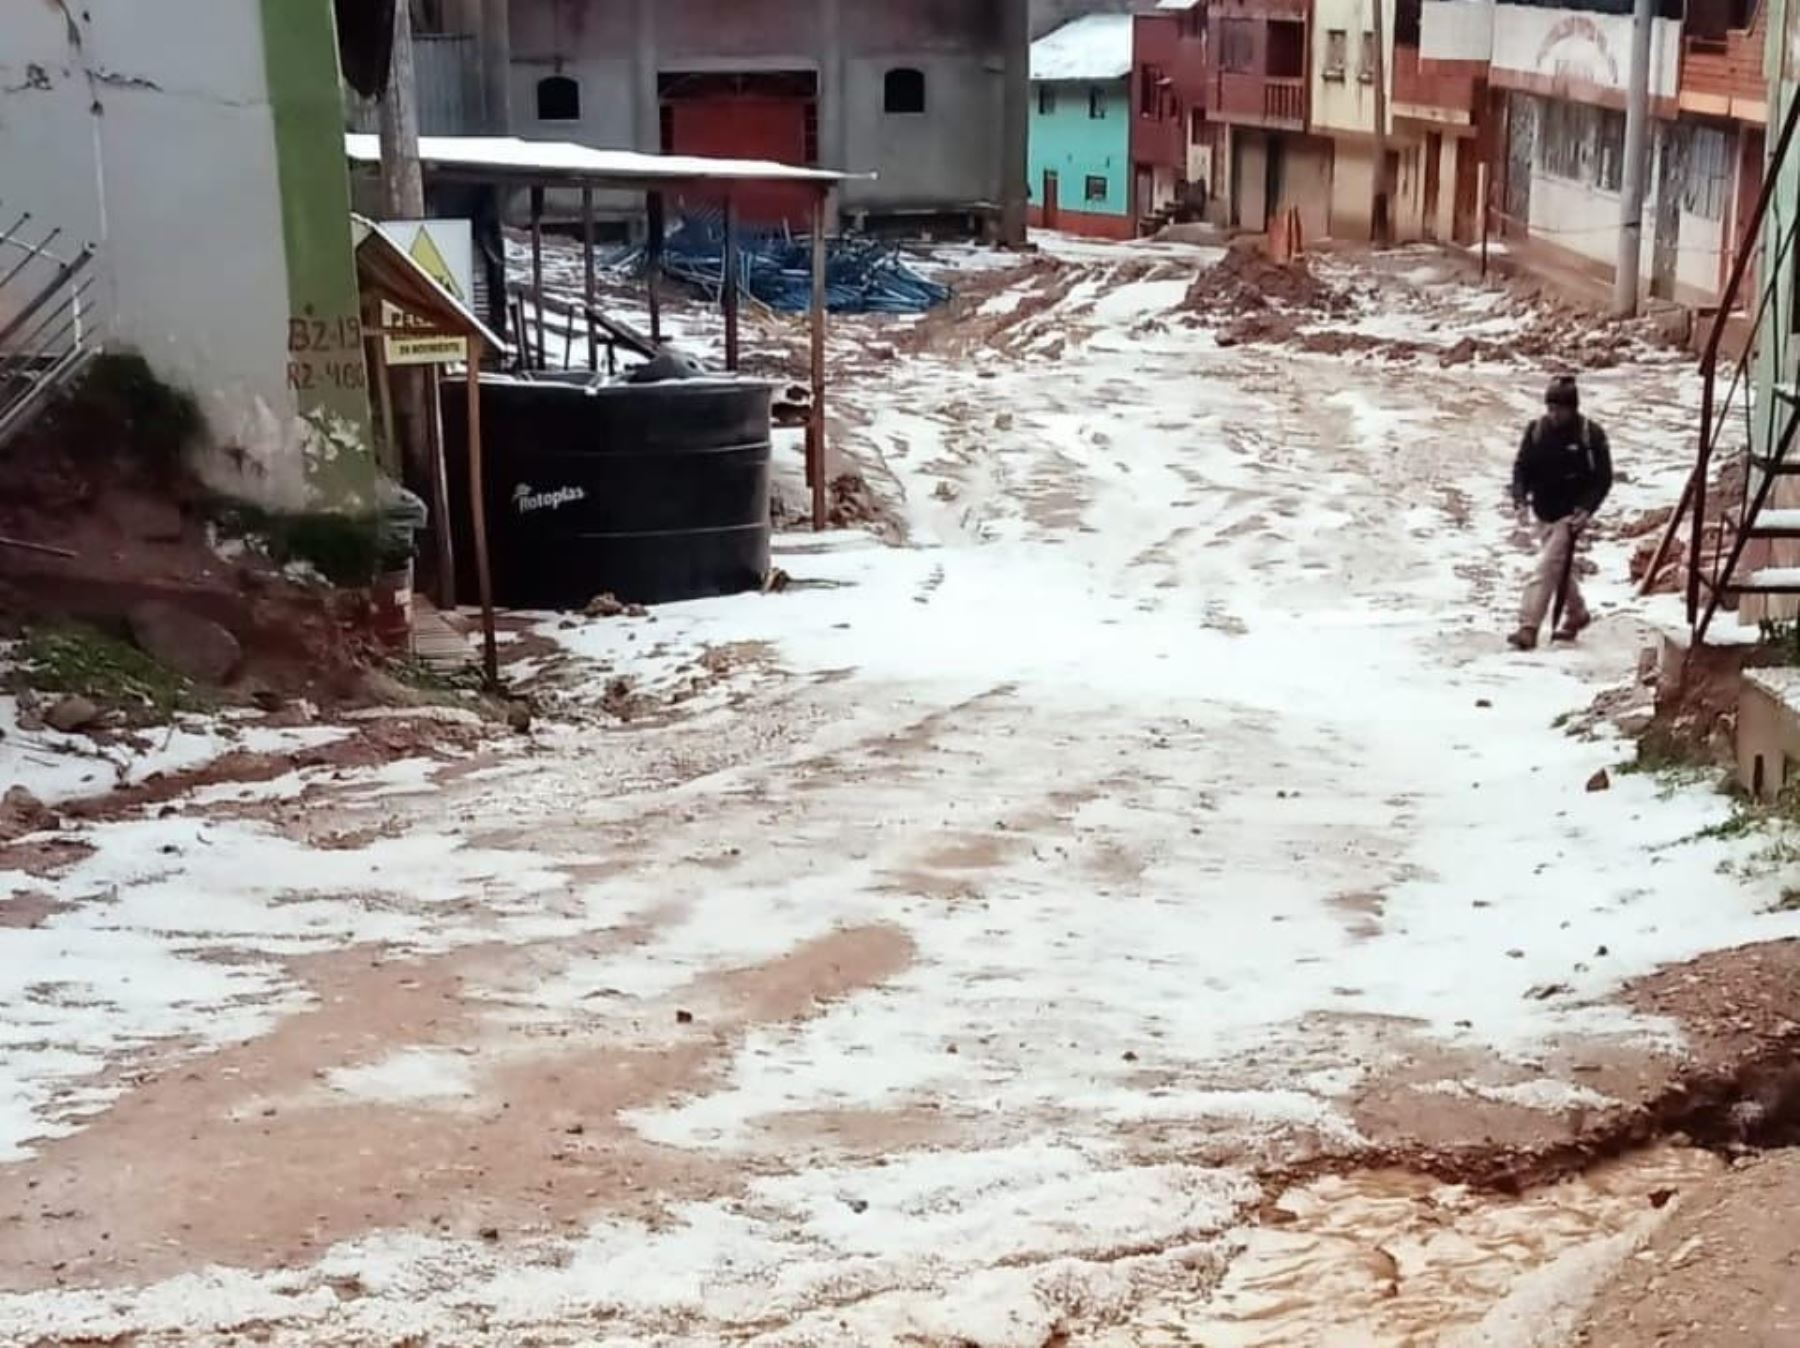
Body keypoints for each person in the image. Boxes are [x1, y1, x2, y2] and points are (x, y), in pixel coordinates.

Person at [1509, 375, 1612, 651]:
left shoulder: (1591, 435)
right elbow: (1522, 468)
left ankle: (1528, 627)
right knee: (1558, 569)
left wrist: (1587, 509)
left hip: (1571, 515)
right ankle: (1577, 613)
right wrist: (1520, 499)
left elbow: (1603, 478)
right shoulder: (1536, 431)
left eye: (1559, 409)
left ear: (1572, 408)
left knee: (1544, 567)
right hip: (1543, 511)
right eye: (1550, 407)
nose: (1553, 414)